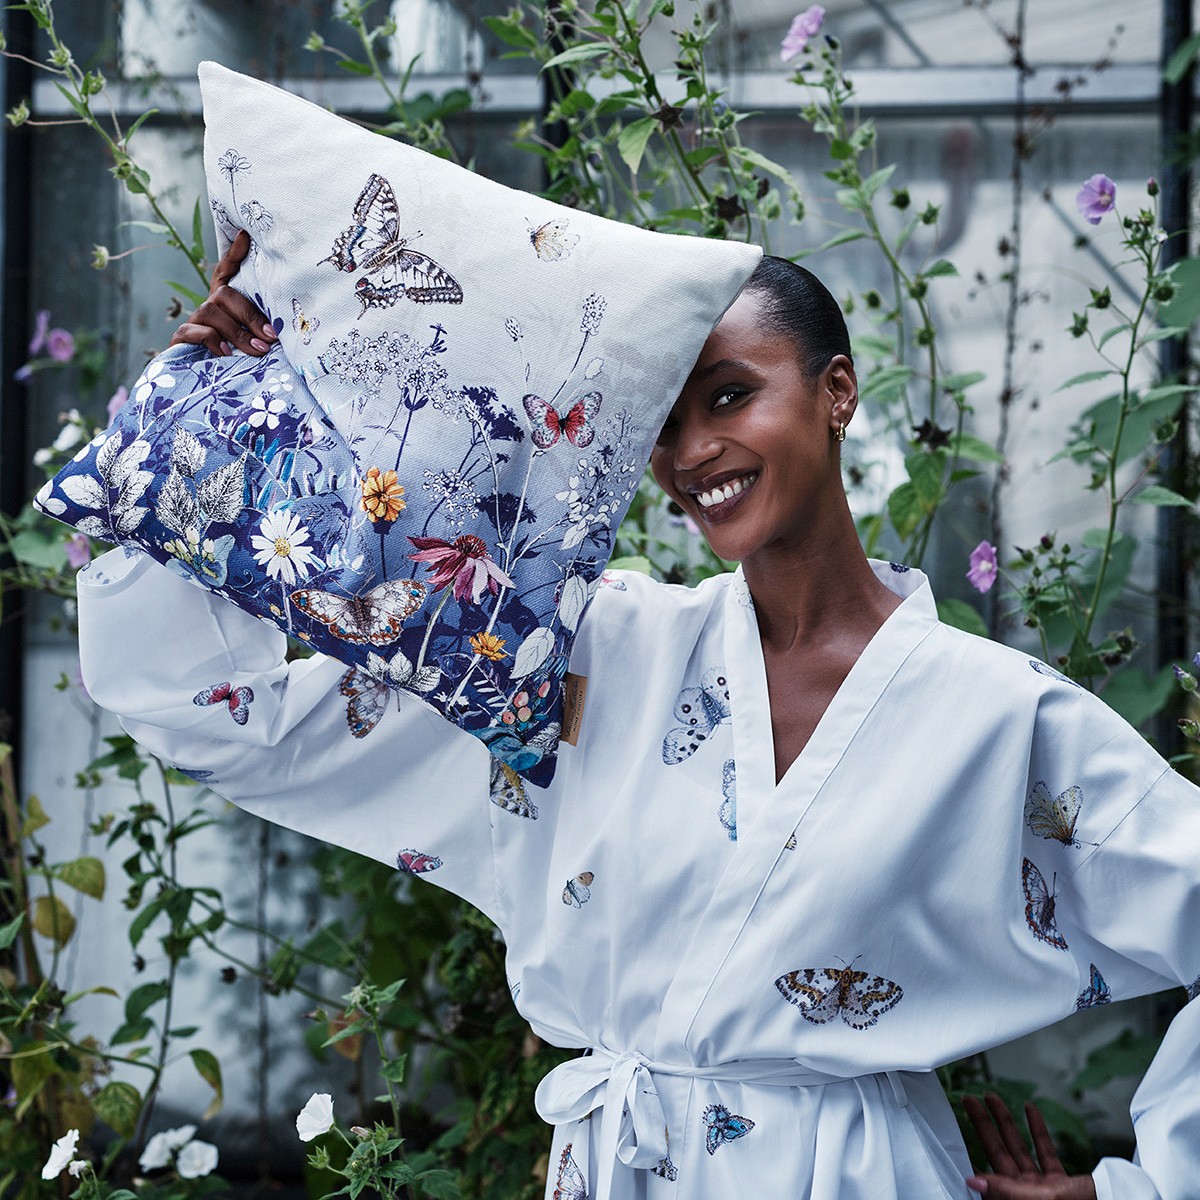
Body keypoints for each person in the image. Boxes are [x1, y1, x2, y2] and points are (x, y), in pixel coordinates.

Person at [77, 235, 1200, 1200]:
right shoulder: (581, 654)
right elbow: (226, 719)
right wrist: (199, 418)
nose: (693, 451)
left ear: (837, 392)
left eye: (730, 396)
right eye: (663, 422)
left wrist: (1143, 1187)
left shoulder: (995, 713)